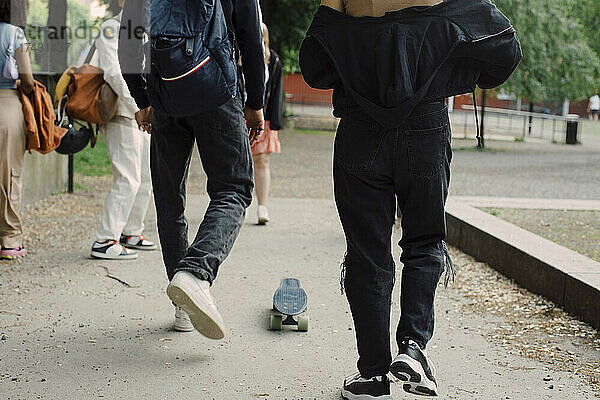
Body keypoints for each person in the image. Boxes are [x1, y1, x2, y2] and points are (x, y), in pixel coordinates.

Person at [300, 0, 521, 398]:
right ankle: (414, 349)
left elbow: (314, 65)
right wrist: (452, 66)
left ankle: (371, 374)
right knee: (423, 241)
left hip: (359, 131)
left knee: (367, 253)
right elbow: (504, 49)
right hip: (426, 127)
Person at [119, 0, 264, 336]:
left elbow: (127, 42)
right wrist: (255, 102)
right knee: (234, 188)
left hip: (165, 94)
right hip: (216, 90)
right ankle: (196, 273)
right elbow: (252, 39)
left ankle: (182, 306)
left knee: (169, 199)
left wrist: (143, 99)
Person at [90, 0, 156, 260]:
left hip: (145, 111)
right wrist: (138, 104)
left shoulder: (147, 29)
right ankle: (105, 239)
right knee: (127, 177)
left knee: (147, 177)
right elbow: (114, 74)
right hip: (122, 113)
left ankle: (131, 231)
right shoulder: (110, 28)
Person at [0, 0, 34, 260]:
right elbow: (28, 80)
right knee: (9, 173)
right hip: (7, 106)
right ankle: (9, 240)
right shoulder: (14, 34)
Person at [251, 23, 283, 225]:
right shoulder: (235, 56)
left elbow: (277, 93)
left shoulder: (274, 60)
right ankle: (233, 205)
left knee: (262, 161)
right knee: (235, 163)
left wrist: (274, 121)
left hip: (265, 118)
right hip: (237, 117)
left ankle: (262, 206)